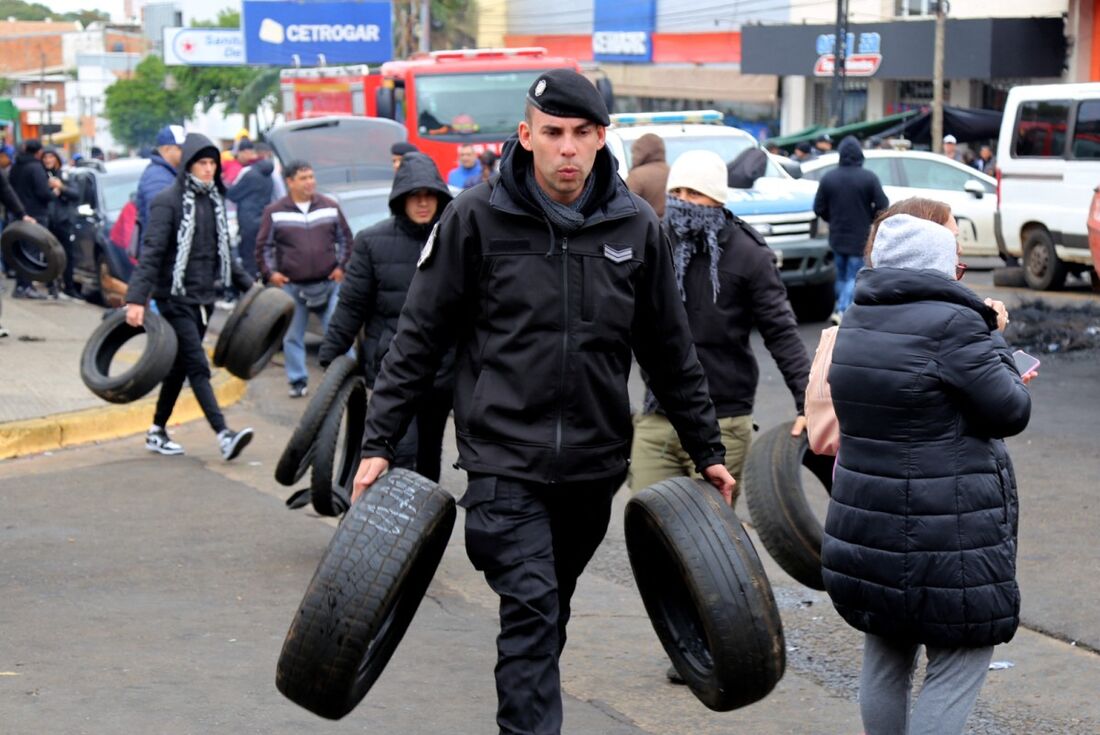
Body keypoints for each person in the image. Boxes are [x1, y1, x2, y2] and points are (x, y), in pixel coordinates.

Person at [351, 68, 733, 735]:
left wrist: (708, 451)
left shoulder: (636, 226)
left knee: (546, 615)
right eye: (552, 132)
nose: (566, 148)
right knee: (530, 606)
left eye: (581, 133)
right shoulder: (475, 216)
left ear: (600, 138)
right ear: (525, 136)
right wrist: (377, 444)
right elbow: (417, 336)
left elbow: (670, 352)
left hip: (591, 469)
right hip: (504, 463)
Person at [821, 197, 1032, 735]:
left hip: (868, 526)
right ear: (938, 265)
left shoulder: (858, 321)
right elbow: (1011, 409)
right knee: (960, 659)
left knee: (886, 653)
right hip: (945, 532)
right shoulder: (956, 325)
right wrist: (994, 341)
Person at [631, 148, 810, 504]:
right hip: (658, 418)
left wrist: (808, 403)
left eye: (694, 194)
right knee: (648, 529)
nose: (683, 203)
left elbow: (782, 332)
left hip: (724, 420)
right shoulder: (657, 241)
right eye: (676, 193)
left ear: (717, 199)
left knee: (708, 546)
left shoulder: (749, 254)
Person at [319, 152, 455, 481]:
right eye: (414, 196)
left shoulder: (455, 241)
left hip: (443, 373)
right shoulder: (371, 242)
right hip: (392, 370)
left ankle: (423, 528)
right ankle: (393, 529)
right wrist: (331, 357)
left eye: (429, 196)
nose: (423, 203)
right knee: (401, 455)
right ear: (400, 199)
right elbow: (352, 305)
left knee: (427, 456)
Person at [124, 133, 255, 461]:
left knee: (179, 367)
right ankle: (224, 434)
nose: (209, 169)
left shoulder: (214, 201)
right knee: (197, 364)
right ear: (188, 166)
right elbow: (152, 251)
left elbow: (223, 253)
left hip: (203, 298)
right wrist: (136, 299)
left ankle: (157, 430)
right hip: (174, 298)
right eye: (202, 163)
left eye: (213, 163)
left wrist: (253, 290)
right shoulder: (168, 201)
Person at [256, 159, 352, 398]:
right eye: (303, 178)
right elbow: (263, 247)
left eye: (311, 176)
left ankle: (348, 375)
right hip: (292, 287)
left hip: (330, 283)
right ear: (289, 182)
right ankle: (297, 380)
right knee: (292, 336)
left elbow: (346, 240)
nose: (310, 182)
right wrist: (272, 274)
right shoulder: (274, 212)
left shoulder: (329, 206)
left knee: (338, 329)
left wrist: (342, 267)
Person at [813, 135, 888, 324]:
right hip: (859, 235)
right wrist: (869, 217)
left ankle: (840, 305)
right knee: (853, 275)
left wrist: (831, 218)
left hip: (837, 234)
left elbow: (818, 208)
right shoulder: (868, 178)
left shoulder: (829, 178)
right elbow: (882, 204)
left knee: (840, 274)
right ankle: (842, 309)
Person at [8, 139, 53, 300]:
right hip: (35, 215)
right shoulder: (35, 168)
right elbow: (43, 192)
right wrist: (53, 192)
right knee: (32, 252)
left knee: (21, 252)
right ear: (39, 152)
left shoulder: (15, 167)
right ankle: (26, 287)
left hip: (17, 214)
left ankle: (21, 286)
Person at [226, 141, 275, 280]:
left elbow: (232, 194)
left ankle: (252, 290)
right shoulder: (269, 173)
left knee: (248, 258)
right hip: (264, 219)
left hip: (248, 221)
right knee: (263, 255)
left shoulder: (248, 172)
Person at [41, 148, 81, 298]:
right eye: (45, 157)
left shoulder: (65, 175)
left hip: (64, 221)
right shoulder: (40, 175)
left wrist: (61, 187)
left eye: (51, 157)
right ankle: (51, 286)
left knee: (67, 255)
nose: (48, 160)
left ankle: (69, 287)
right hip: (48, 221)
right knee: (48, 254)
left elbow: (76, 194)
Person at [136, 125, 185, 233]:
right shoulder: (157, 178)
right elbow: (158, 224)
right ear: (166, 149)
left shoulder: (166, 173)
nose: (185, 152)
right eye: (180, 148)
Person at [625, 132, 670, 217]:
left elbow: (625, 206)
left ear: (641, 153)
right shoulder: (672, 172)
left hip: (646, 227)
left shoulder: (636, 176)